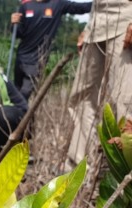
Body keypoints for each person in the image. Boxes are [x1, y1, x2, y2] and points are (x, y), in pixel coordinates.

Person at [66, 0, 132, 168]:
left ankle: (125, 172)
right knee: (82, 96)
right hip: (96, 20)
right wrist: (88, 27)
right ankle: (79, 168)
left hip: (125, 16)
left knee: (124, 98)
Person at [11, 0, 92, 100]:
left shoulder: (58, 4)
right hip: (21, 58)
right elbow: (19, 33)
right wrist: (15, 23)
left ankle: (20, 113)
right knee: (16, 92)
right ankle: (21, 114)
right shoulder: (26, 5)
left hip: (37, 61)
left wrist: (104, 2)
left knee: (24, 94)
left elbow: (84, 7)